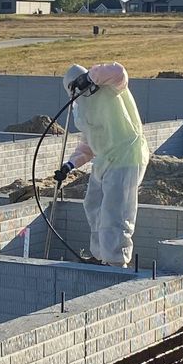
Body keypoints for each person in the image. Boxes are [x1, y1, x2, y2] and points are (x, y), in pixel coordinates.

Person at [55, 62, 148, 267]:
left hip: (126, 156)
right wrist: (70, 165)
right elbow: (89, 144)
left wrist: (90, 77)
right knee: (93, 205)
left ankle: (116, 261)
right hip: (104, 160)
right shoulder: (82, 110)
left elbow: (119, 71)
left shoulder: (111, 87)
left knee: (116, 212)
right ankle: (100, 255)